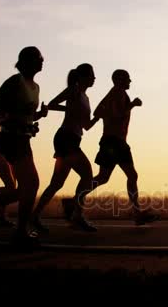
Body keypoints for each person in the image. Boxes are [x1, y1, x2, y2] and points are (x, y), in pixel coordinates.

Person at [0, 46, 48, 249]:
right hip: (9, 138)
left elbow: (27, 115)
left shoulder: (36, 87)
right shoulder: (15, 81)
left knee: (24, 187)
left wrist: (34, 121)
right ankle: (20, 232)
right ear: (27, 61)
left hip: (24, 138)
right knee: (31, 184)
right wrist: (19, 116)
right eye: (39, 58)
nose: (43, 61)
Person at [64, 69, 159, 227]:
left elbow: (99, 111)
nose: (130, 81)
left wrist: (119, 108)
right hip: (112, 142)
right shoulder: (116, 93)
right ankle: (75, 201)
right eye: (127, 79)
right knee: (109, 177)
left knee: (119, 176)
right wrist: (132, 105)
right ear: (119, 80)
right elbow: (115, 114)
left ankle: (136, 213)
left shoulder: (117, 94)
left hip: (118, 142)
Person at [30, 64, 99, 233]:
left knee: (57, 183)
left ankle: (34, 216)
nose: (94, 78)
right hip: (65, 137)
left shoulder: (86, 98)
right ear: (83, 77)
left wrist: (99, 117)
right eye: (92, 75)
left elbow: (86, 126)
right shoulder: (74, 90)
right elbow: (53, 104)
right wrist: (69, 108)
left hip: (73, 139)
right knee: (87, 175)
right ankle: (77, 216)